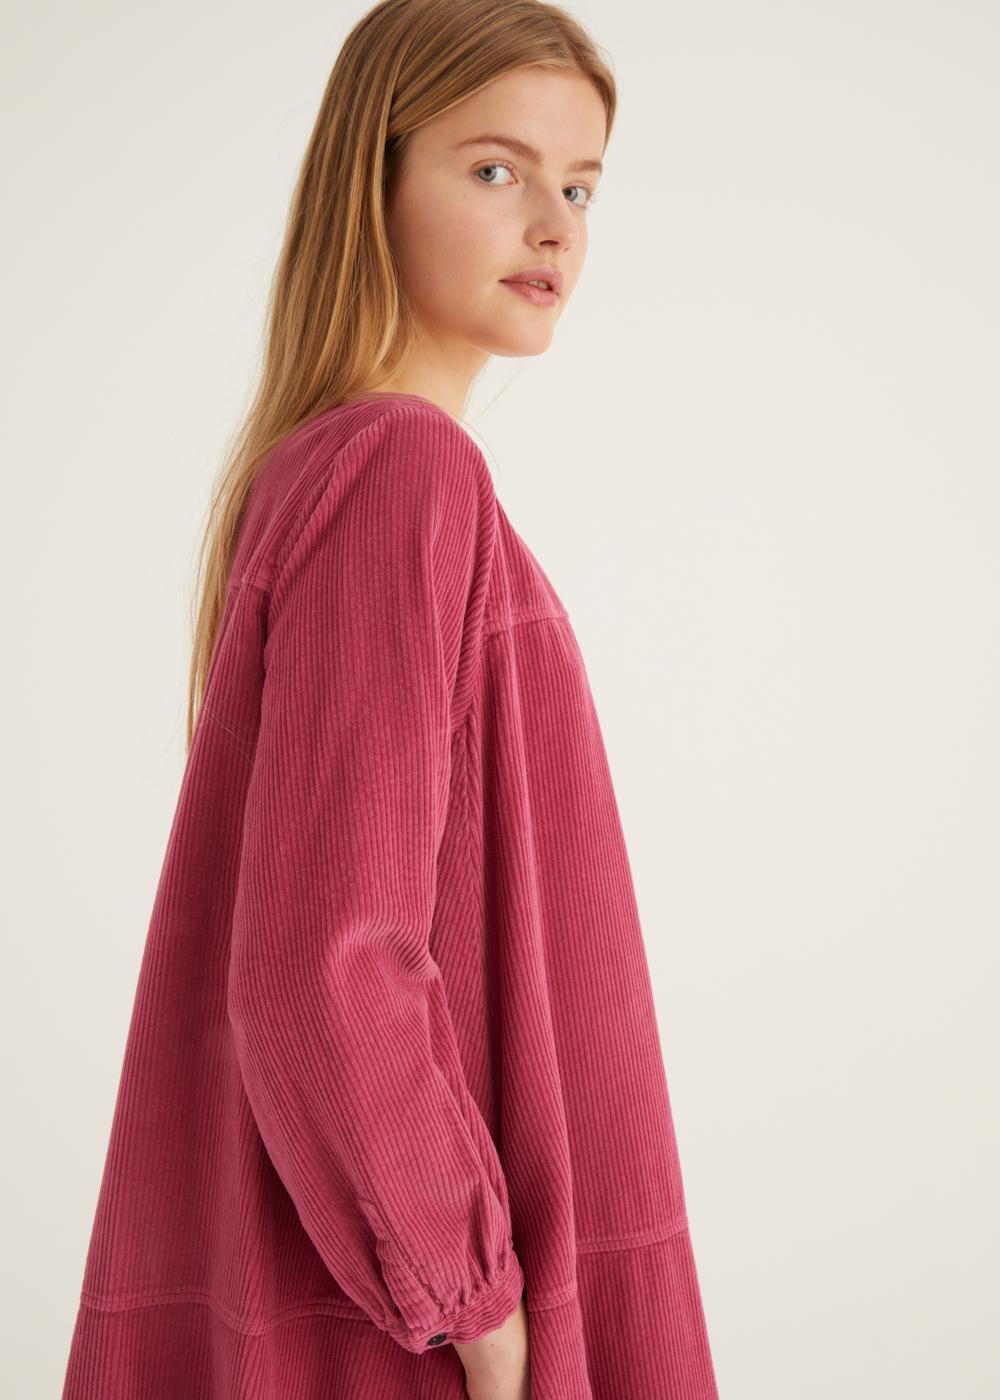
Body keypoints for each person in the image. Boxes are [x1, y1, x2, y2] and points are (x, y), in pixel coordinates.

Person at [61, 2, 719, 1397]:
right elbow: (325, 965)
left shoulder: (326, 470)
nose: (552, 225)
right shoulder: (399, 472)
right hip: (418, 1338)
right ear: (374, 179)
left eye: (580, 186)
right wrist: (479, 1308)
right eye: (495, 168)